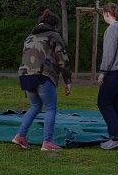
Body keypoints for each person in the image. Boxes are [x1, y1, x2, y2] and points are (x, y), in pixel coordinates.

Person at [12, 9, 73, 151]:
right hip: (43, 74)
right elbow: (63, 60)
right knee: (51, 108)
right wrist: (68, 80)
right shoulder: (54, 36)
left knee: (35, 106)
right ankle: (48, 142)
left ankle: (20, 135)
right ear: (55, 25)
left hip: (25, 76)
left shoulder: (29, 37)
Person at [96, 3, 118, 150]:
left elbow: (109, 53)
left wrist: (103, 72)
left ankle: (115, 137)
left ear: (106, 14)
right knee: (116, 104)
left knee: (103, 103)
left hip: (115, 72)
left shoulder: (112, 29)